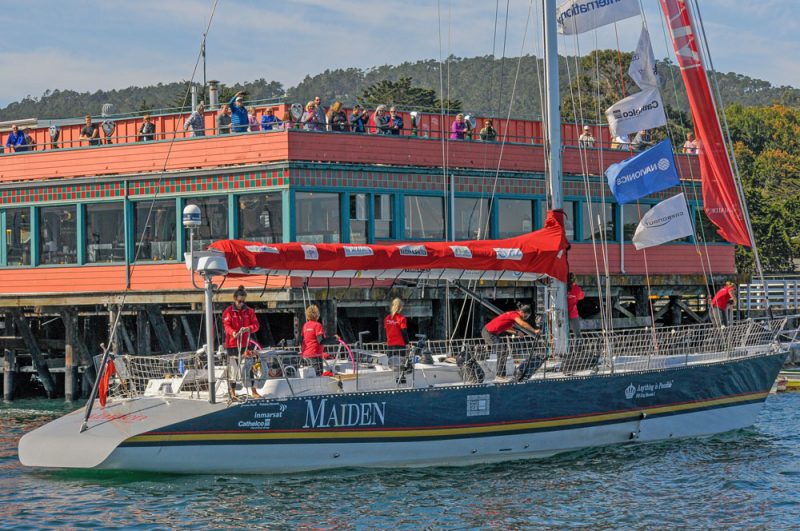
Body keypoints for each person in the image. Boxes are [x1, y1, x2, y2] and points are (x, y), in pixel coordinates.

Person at [222, 285, 261, 399]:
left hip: (245, 344)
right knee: (233, 370)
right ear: (235, 299)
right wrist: (233, 333)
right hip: (232, 345)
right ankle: (233, 392)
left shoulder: (249, 311)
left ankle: (254, 391)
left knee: (249, 367)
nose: (241, 304)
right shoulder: (228, 311)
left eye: (243, 301)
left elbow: (256, 325)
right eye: (239, 301)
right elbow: (226, 325)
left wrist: (249, 328)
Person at [482, 304, 538, 379]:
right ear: (521, 312)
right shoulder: (514, 314)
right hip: (488, 332)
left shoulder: (511, 318)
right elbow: (522, 323)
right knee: (502, 351)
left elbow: (506, 328)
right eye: (525, 316)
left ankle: (501, 374)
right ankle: (500, 375)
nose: (525, 318)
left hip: (492, 333)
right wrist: (534, 330)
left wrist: (516, 332)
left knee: (503, 351)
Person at [301, 304, 338, 376]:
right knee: (317, 376)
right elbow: (321, 341)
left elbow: (302, 340)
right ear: (317, 314)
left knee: (308, 376)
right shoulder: (317, 325)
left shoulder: (305, 325)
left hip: (305, 355)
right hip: (315, 355)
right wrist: (334, 338)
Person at [567, 273, 585, 338]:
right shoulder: (576, 289)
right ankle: (577, 347)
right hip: (573, 314)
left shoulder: (564, 288)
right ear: (574, 280)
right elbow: (581, 296)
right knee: (577, 334)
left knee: (565, 334)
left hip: (564, 314)